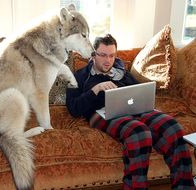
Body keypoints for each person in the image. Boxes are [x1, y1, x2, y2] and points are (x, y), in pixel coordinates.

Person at [66, 34, 195, 189]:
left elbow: (136, 90)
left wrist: (123, 82)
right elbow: (73, 108)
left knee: (173, 127)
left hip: (132, 108)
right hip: (100, 113)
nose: (108, 61)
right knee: (139, 132)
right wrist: (95, 89)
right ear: (93, 55)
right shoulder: (79, 77)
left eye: (112, 56)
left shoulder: (120, 70)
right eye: (103, 55)